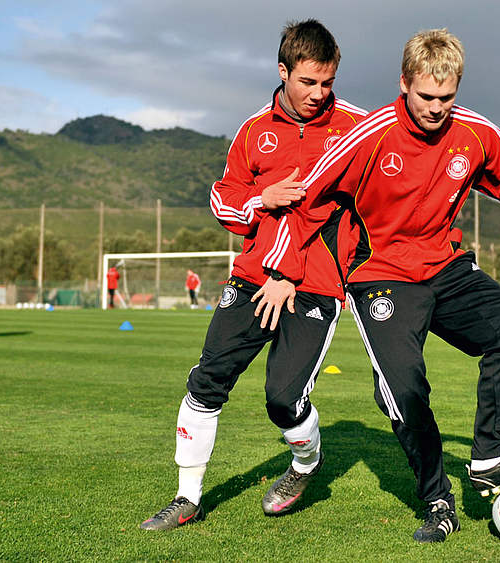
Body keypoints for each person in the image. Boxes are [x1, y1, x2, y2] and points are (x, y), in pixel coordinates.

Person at [254, 29, 500, 543]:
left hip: (444, 265)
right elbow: (308, 201)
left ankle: (488, 457)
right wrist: (281, 269)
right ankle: (437, 500)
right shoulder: (368, 136)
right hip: (380, 274)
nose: (435, 108)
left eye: (446, 98)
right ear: (403, 82)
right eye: (426, 96)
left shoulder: (476, 134)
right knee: (404, 390)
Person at [140, 19, 367, 531]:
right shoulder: (253, 131)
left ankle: (306, 463)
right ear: (283, 71)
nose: (319, 93)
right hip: (250, 277)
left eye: (327, 82)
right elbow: (223, 200)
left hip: (315, 283)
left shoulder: (354, 128)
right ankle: (186, 498)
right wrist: (260, 199)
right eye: (308, 81)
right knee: (206, 382)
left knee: (284, 400)